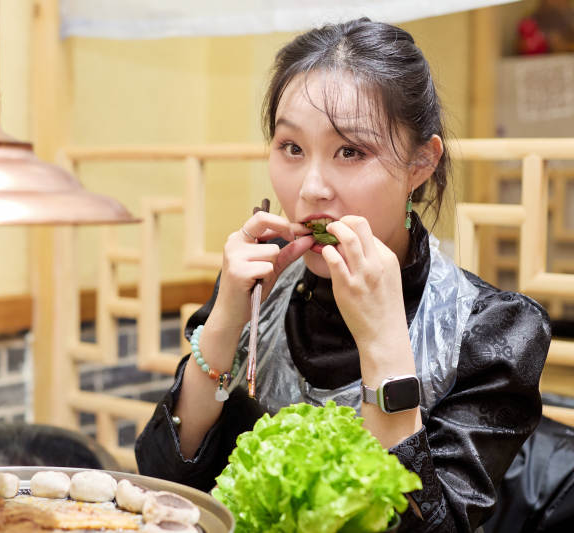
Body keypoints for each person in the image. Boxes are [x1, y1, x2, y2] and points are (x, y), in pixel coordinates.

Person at [135, 18, 551, 532]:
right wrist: (224, 324)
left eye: (350, 151)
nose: (311, 189)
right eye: (291, 148)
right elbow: (162, 486)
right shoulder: (259, 286)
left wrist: (382, 343)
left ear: (422, 162)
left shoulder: (493, 330)